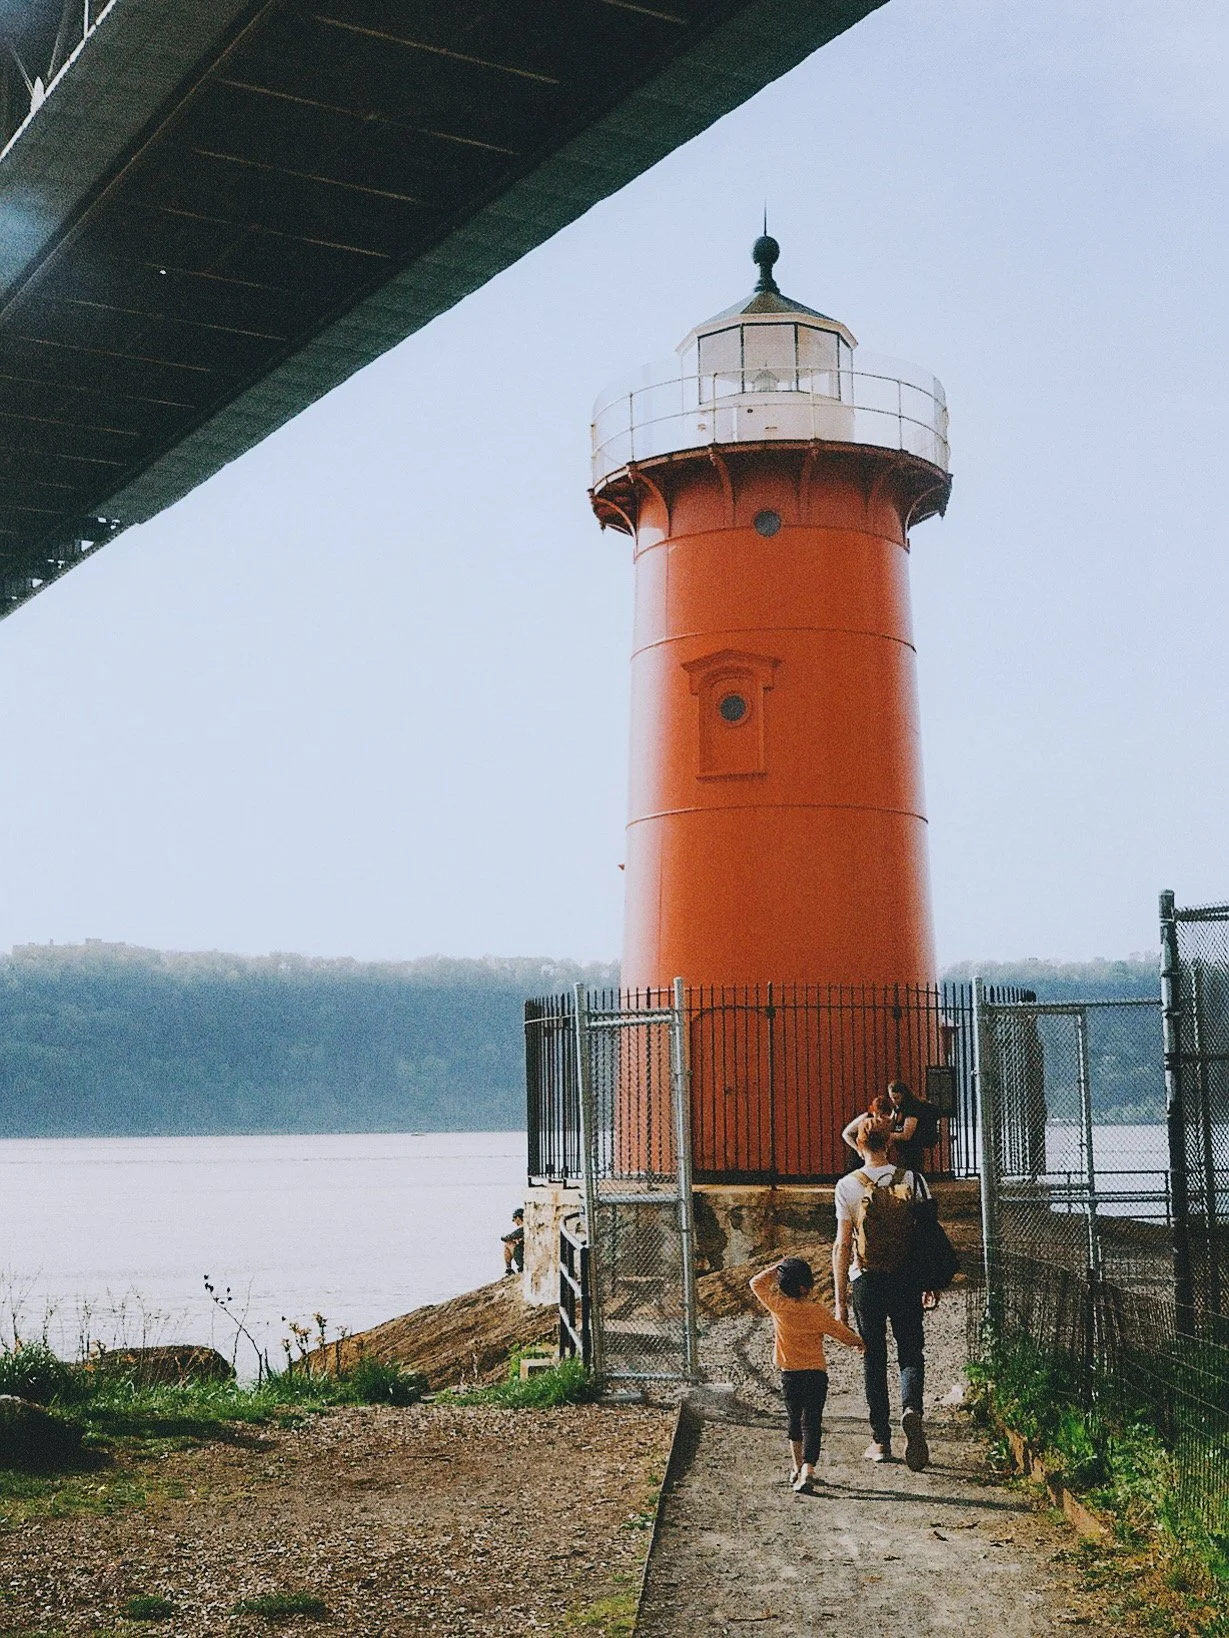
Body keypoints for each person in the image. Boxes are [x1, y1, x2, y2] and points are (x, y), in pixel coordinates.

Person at [832, 1118, 937, 1470]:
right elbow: (928, 1237)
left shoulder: (848, 1185)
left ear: (859, 1144)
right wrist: (930, 1282)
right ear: (890, 1144)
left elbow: (842, 1245)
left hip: (867, 1280)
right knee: (910, 1350)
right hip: (906, 1278)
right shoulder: (913, 1180)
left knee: (873, 1358)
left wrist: (840, 1302)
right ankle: (911, 1408)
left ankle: (880, 1441)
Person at [749, 1255, 864, 1495]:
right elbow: (840, 1333)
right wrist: (859, 1343)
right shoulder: (816, 1311)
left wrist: (779, 1266)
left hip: (790, 1374)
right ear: (807, 1287)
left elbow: (756, 1283)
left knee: (794, 1421)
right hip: (815, 1374)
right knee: (812, 1421)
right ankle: (808, 1470)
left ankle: (796, 1466)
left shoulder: (779, 1307)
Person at [501, 1208, 525, 1276]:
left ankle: (509, 1269)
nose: (515, 1222)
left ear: (518, 1217)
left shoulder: (523, 1229)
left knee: (507, 1244)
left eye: (514, 1220)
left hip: (522, 1258)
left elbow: (507, 1238)